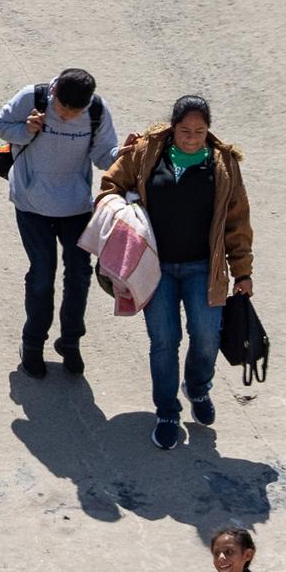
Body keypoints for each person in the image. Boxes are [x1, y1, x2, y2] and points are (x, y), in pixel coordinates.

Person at [98, 95, 254, 449]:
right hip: (156, 268)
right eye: (185, 130)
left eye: (199, 131)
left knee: (207, 335)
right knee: (164, 341)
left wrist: (242, 272)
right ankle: (167, 410)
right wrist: (122, 211)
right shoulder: (147, 152)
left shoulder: (224, 163)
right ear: (173, 127)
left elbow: (237, 221)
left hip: (204, 267)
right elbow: (111, 184)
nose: (191, 138)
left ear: (208, 130)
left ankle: (198, 388)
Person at [0, 69, 118, 379]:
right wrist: (25, 130)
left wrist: (124, 155)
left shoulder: (97, 111)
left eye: (75, 112)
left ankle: (71, 342)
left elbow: (104, 155)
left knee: (79, 275)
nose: (65, 116)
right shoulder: (32, 97)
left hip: (76, 206)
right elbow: (0, 125)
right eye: (62, 108)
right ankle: (33, 344)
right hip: (32, 204)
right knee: (41, 275)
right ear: (54, 94)